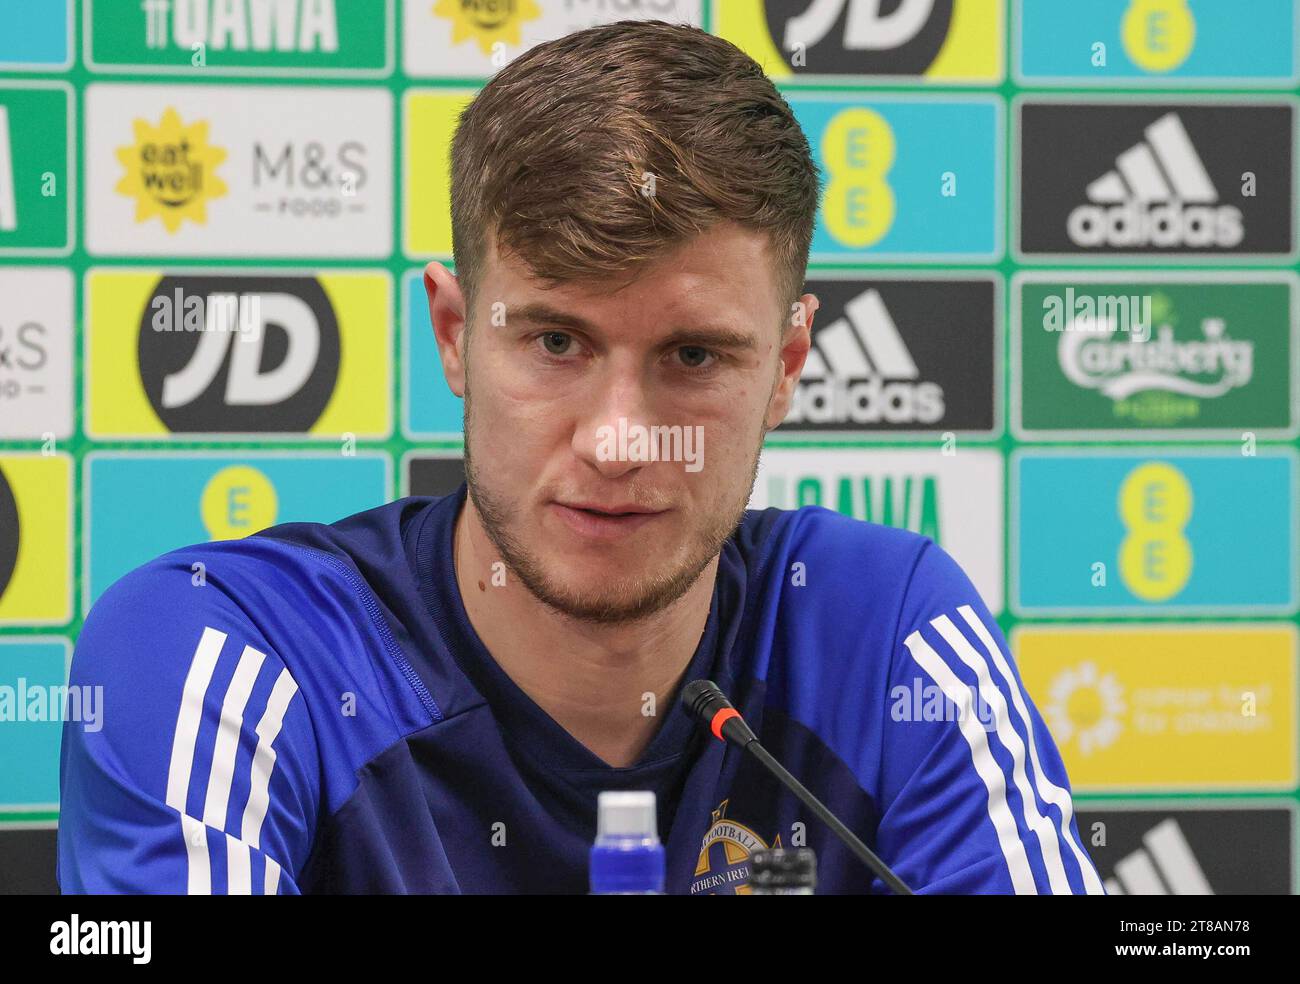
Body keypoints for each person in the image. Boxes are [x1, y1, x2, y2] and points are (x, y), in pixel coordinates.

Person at [58, 20, 1102, 894]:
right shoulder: (222, 653)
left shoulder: (883, 633)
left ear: (785, 367)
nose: (616, 440)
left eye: (692, 356)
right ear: (455, 335)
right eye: (556, 343)